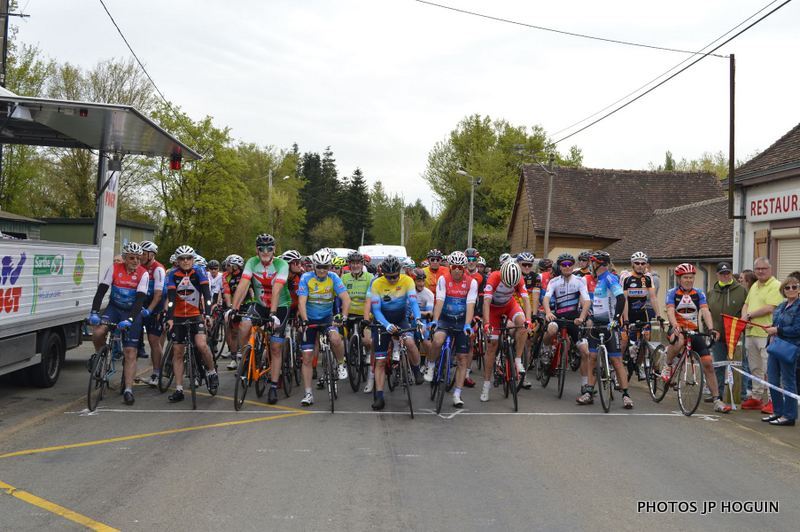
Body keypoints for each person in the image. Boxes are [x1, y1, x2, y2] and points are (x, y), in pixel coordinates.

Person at [230, 234, 291, 405]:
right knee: (244, 325)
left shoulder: (282, 264)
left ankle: (273, 386)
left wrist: (273, 313)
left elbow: (277, 289)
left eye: (269, 248)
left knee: (275, 347)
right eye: (261, 248)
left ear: (274, 250)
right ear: (256, 250)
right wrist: (234, 308)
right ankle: (246, 357)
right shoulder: (251, 262)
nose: (265, 251)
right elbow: (243, 285)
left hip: (280, 306)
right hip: (260, 304)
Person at [88, 242, 149, 405]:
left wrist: (130, 320)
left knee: (130, 352)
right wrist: (94, 312)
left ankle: (128, 390)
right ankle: (100, 356)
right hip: (114, 309)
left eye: (138, 258)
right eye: (132, 258)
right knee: (99, 332)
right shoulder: (114, 268)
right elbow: (101, 291)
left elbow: (140, 300)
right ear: (124, 258)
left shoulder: (143, 273)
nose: (136, 261)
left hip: (132, 312)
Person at [664, 263, 730, 413]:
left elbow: (705, 311)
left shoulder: (699, 293)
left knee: (708, 363)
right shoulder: (672, 293)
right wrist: (675, 325)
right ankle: (668, 365)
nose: (688, 280)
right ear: (679, 279)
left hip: (693, 331)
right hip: (677, 328)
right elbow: (670, 311)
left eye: (691, 277)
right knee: (679, 340)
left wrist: (711, 329)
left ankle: (717, 400)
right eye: (685, 277)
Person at [577, 251, 633, 408]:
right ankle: (589, 392)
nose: (591, 266)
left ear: (599, 264)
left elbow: (621, 298)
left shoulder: (609, 278)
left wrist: (616, 319)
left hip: (610, 326)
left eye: (593, 263)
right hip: (596, 325)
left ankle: (626, 395)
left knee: (616, 360)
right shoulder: (598, 280)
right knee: (592, 358)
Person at [164, 245, 219, 402]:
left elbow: (207, 295)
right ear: (178, 260)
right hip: (178, 317)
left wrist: (208, 314)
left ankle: (211, 372)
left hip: (196, 315)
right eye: (182, 259)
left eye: (189, 258)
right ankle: (179, 389)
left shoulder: (199, 272)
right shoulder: (173, 274)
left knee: (201, 345)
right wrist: (169, 318)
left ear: (193, 259)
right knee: (178, 352)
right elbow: (171, 299)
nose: (186, 261)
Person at [297, 249, 351, 407]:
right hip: (310, 319)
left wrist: (343, 317)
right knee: (307, 357)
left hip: (327, 318)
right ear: (314, 266)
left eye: (325, 267)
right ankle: (308, 393)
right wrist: (305, 320)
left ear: (329, 267)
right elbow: (301, 302)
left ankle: (340, 364)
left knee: (336, 339)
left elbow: (346, 299)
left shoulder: (333, 277)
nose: (322, 270)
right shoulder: (306, 278)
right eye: (319, 266)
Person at [369, 255, 423, 410]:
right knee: (380, 361)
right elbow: (376, 310)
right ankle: (380, 396)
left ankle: (416, 370)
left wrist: (418, 319)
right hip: (382, 322)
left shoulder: (407, 280)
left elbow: (413, 302)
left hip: (400, 319)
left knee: (410, 342)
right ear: (383, 274)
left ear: (400, 272)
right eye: (389, 277)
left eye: (395, 276)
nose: (392, 279)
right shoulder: (377, 283)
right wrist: (386, 325)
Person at [425, 251, 477, 407]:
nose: (457, 270)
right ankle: (431, 365)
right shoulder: (443, 279)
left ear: (464, 268)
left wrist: (467, 324)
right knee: (437, 340)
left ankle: (457, 394)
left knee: (462, 358)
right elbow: (439, 300)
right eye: (454, 267)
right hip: (445, 318)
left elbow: (470, 304)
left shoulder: (471, 282)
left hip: (461, 321)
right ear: (450, 267)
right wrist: (435, 320)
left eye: (460, 268)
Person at [481, 260, 532, 402]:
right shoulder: (494, 277)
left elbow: (526, 301)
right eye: (507, 283)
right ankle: (486, 386)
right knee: (491, 347)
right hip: (493, 309)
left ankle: (517, 360)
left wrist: (529, 320)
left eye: (512, 285)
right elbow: (486, 303)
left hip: (509, 305)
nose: (510, 286)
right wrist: (486, 324)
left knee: (523, 325)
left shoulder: (519, 278)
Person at [740, 257, 784, 413]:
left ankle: (774, 400)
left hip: (767, 333)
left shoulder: (776, 285)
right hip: (751, 331)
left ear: (770, 269)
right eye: (757, 269)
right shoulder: (754, 286)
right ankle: (757, 397)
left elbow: (770, 307)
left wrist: (748, 315)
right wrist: (744, 316)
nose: (760, 271)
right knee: (755, 368)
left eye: (763, 268)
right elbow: (746, 304)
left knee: (770, 369)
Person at [706, 262, 747, 401]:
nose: (725, 276)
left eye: (728, 273)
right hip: (717, 336)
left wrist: (742, 329)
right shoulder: (711, 293)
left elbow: (746, 310)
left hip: (736, 335)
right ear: (717, 275)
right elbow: (706, 313)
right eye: (722, 273)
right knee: (718, 365)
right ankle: (717, 394)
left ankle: (740, 394)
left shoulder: (741, 291)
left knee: (739, 365)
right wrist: (710, 330)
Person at [763, 276, 799, 426]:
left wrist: (777, 330)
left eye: (794, 287)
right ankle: (777, 411)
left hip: (789, 348)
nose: (791, 290)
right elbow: (775, 325)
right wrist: (771, 329)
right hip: (774, 347)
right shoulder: (780, 306)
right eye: (787, 287)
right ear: (783, 290)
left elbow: (797, 329)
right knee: (772, 380)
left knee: (788, 381)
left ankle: (789, 415)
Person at [340, 251, 376, 393]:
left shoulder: (369, 277)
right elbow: (339, 298)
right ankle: (344, 360)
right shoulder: (344, 278)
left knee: (367, 341)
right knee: (340, 338)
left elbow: (371, 299)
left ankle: (368, 354)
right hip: (349, 313)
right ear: (349, 264)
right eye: (352, 263)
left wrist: (369, 317)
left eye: (358, 263)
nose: (355, 265)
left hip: (365, 314)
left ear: (362, 264)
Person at [139, 240, 166, 387]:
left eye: (144, 254)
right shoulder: (140, 267)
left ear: (151, 255)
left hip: (156, 309)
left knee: (153, 340)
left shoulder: (158, 269)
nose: (141, 256)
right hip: (142, 306)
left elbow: (158, 294)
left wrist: (150, 310)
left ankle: (157, 373)